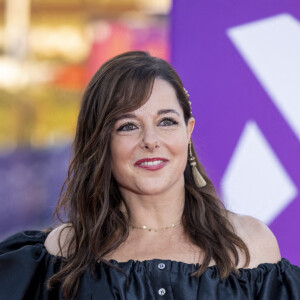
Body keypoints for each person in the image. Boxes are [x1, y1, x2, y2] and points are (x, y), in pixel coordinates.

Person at [0, 51, 299, 300]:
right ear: (101, 142)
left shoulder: (249, 246)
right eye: (128, 126)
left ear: (188, 131)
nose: (151, 140)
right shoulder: (61, 253)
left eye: (166, 121)